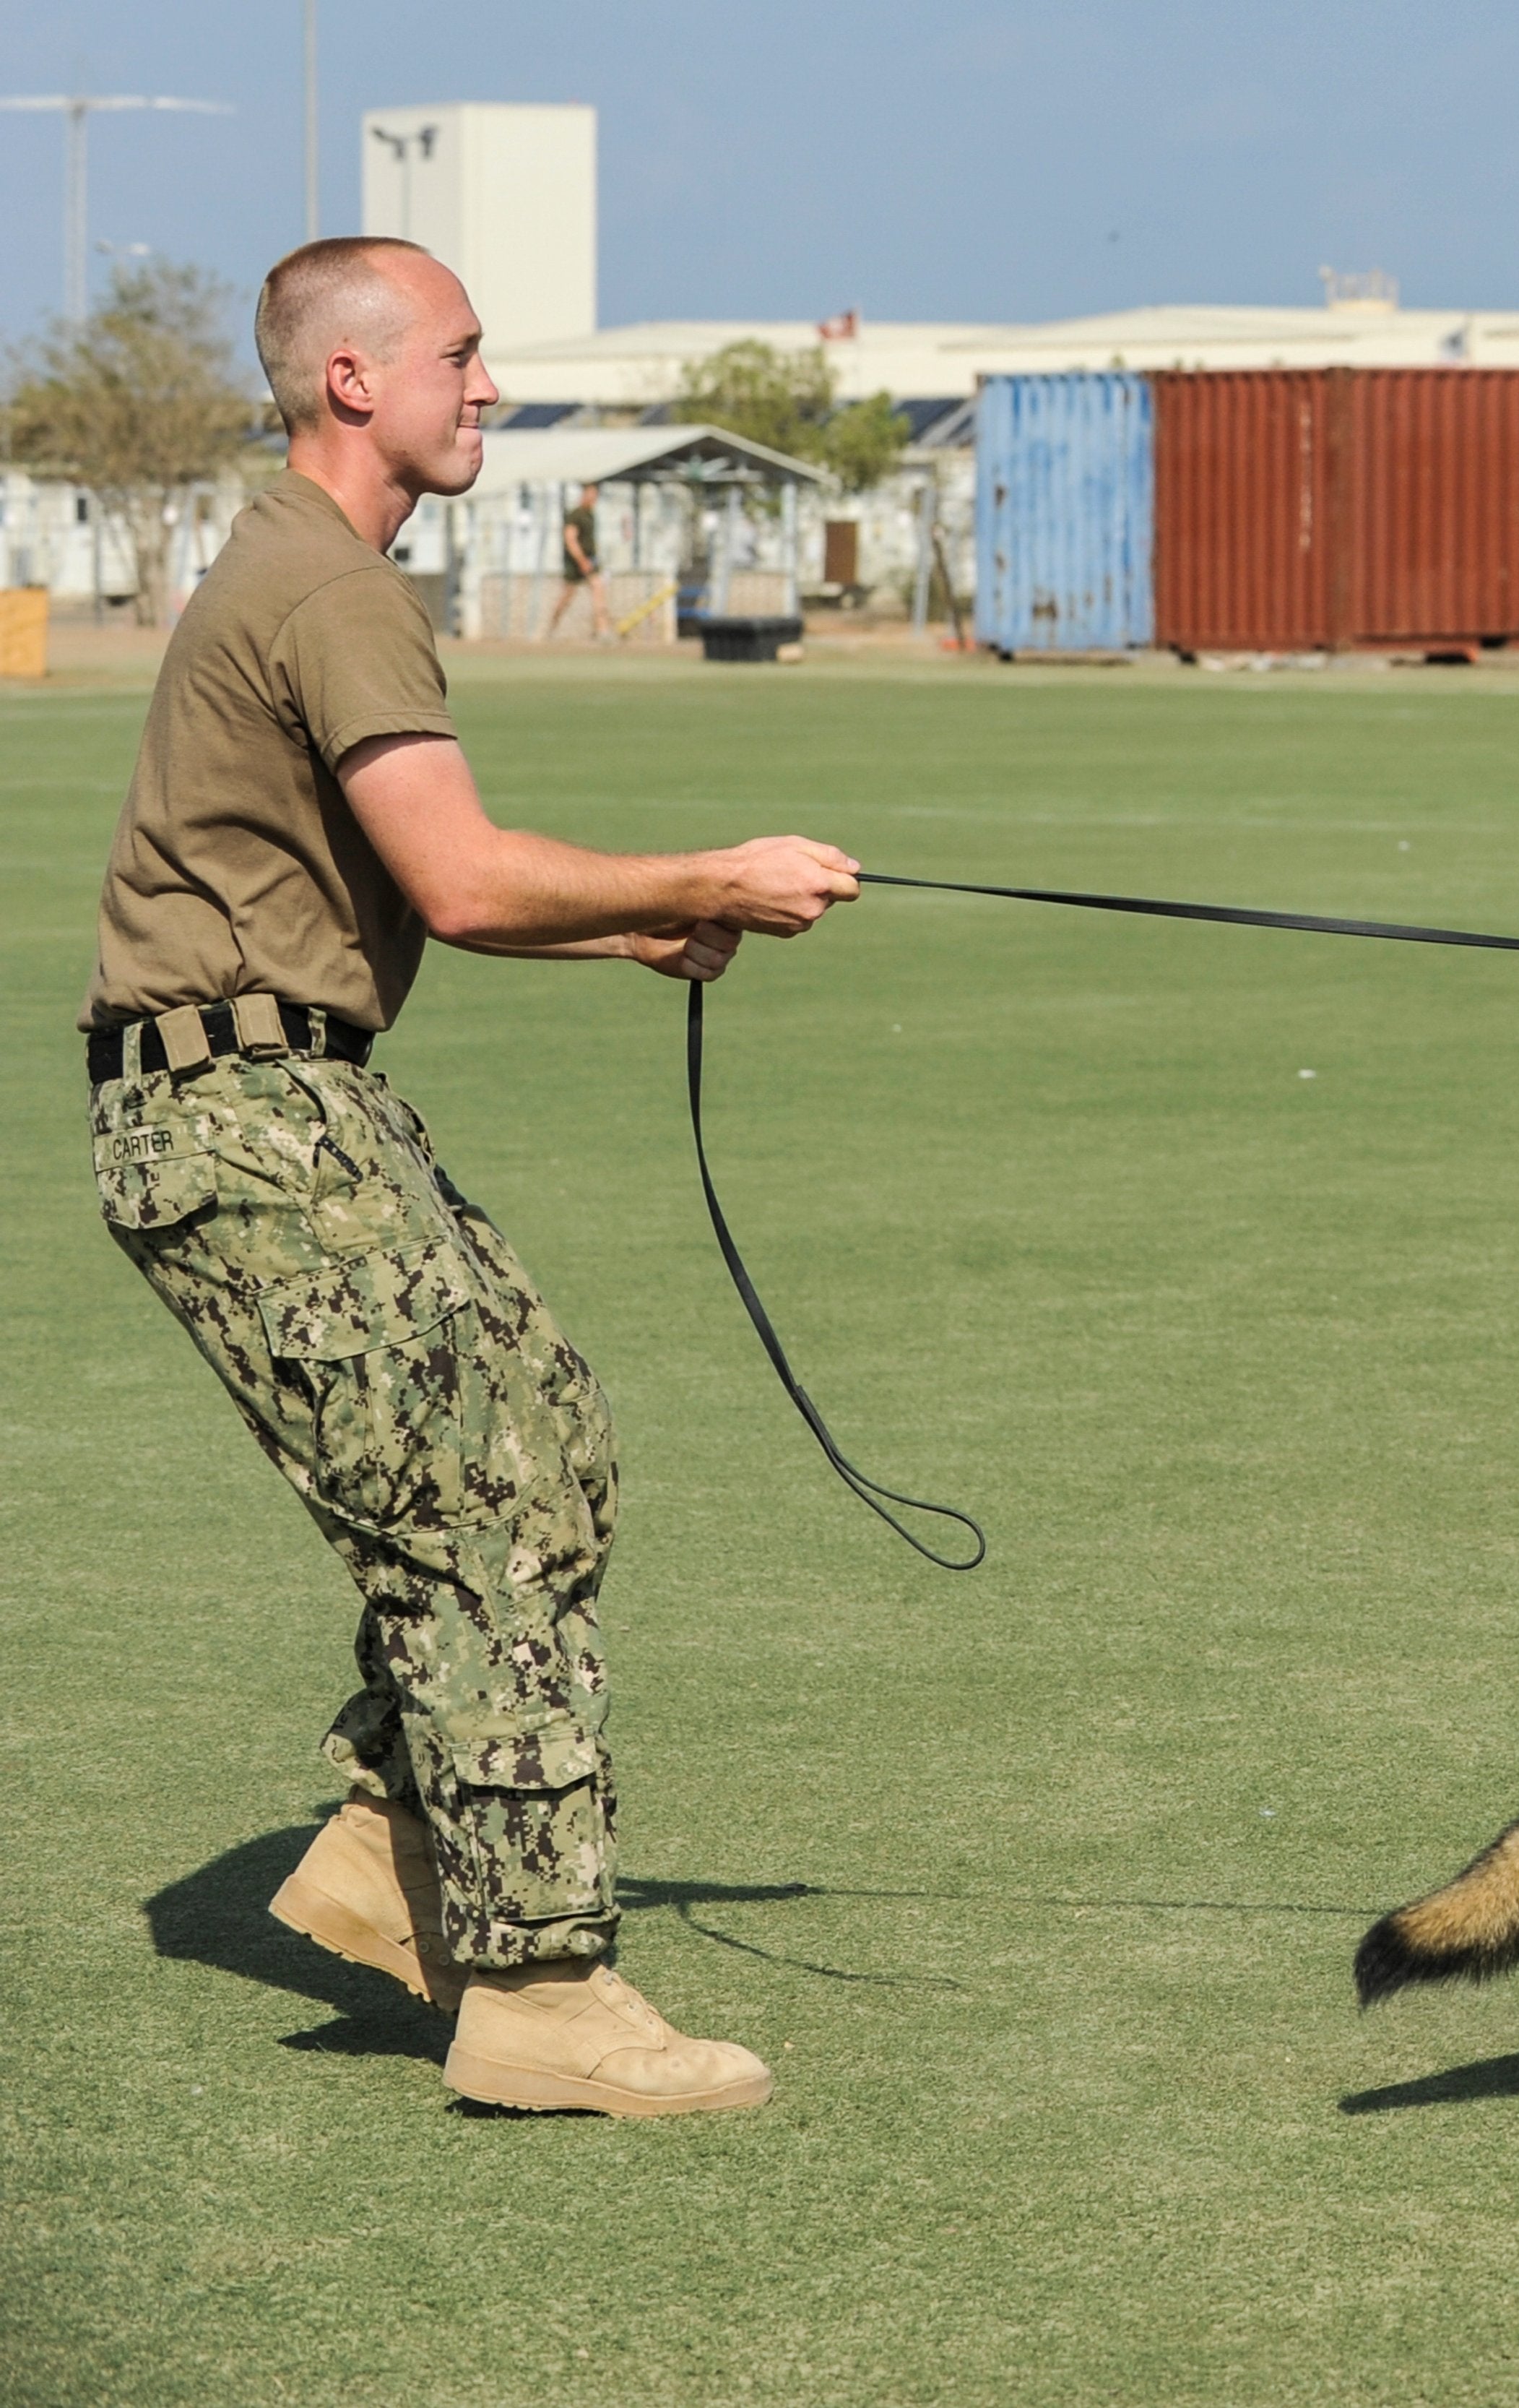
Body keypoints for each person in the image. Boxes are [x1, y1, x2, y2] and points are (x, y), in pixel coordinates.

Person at [80, 234, 863, 2116]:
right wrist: (708, 875)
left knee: (551, 1444)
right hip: (241, 1116)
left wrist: (632, 943)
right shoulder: (333, 588)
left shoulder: (302, 566)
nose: (488, 384)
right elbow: (461, 878)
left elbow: (363, 892)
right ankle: (535, 1988)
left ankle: (389, 1846)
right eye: (462, 352)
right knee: (487, 1499)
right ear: (355, 378)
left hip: (279, 1091)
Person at [540, 482, 602, 640]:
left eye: (596, 494)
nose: (594, 497)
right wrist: (581, 560)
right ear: (585, 494)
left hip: (591, 561)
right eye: (592, 494)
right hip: (576, 563)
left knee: (598, 590)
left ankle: (602, 631)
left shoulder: (591, 514)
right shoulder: (576, 515)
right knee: (566, 597)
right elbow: (570, 539)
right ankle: (551, 628)